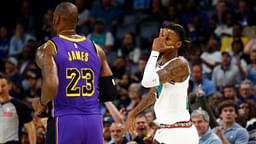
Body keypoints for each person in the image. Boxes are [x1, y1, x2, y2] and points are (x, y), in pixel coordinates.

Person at [35, 2, 116, 144]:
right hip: (94, 121)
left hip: (64, 119)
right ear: (77, 21)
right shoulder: (97, 49)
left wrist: (41, 106)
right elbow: (110, 91)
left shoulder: (50, 47)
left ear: (56, 19)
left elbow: (52, 85)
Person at [125, 23, 199, 144]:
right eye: (162, 36)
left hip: (180, 132)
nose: (162, 41)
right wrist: (134, 113)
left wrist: (154, 51)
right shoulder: (160, 63)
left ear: (178, 45)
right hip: (166, 129)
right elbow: (154, 92)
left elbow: (147, 82)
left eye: (168, 39)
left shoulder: (180, 64)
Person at [0, 74, 36, 144]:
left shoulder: (19, 106)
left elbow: (30, 128)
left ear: (9, 86)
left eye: (3, 86)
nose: (0, 89)